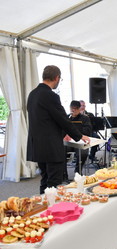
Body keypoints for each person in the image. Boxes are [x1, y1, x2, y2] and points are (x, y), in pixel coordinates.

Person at [27, 65, 90, 194]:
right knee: (54, 182)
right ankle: (52, 210)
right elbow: (63, 119)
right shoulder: (50, 95)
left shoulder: (32, 94)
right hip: (50, 146)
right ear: (57, 77)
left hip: (37, 145)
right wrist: (79, 136)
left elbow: (45, 120)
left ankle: (43, 208)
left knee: (44, 179)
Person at [63, 101, 92, 181]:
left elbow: (88, 131)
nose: (73, 111)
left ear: (79, 109)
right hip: (68, 143)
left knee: (83, 152)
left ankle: (78, 171)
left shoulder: (85, 118)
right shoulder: (66, 118)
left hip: (79, 142)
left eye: (75, 109)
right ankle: (64, 175)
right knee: (60, 150)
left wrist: (74, 133)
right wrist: (65, 134)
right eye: (72, 109)